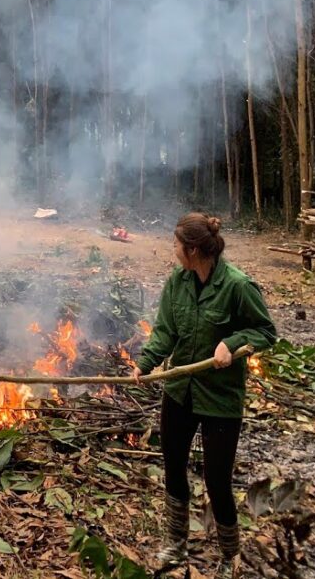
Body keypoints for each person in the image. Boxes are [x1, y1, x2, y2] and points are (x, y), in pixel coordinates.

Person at [132, 213, 276, 578]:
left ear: (193, 249)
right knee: (174, 467)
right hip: (180, 391)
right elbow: (165, 330)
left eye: (177, 244)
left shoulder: (237, 286)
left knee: (216, 479)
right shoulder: (177, 283)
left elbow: (265, 330)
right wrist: (146, 363)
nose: (174, 250)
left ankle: (230, 556)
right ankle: (175, 544)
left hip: (220, 399)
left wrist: (232, 343)